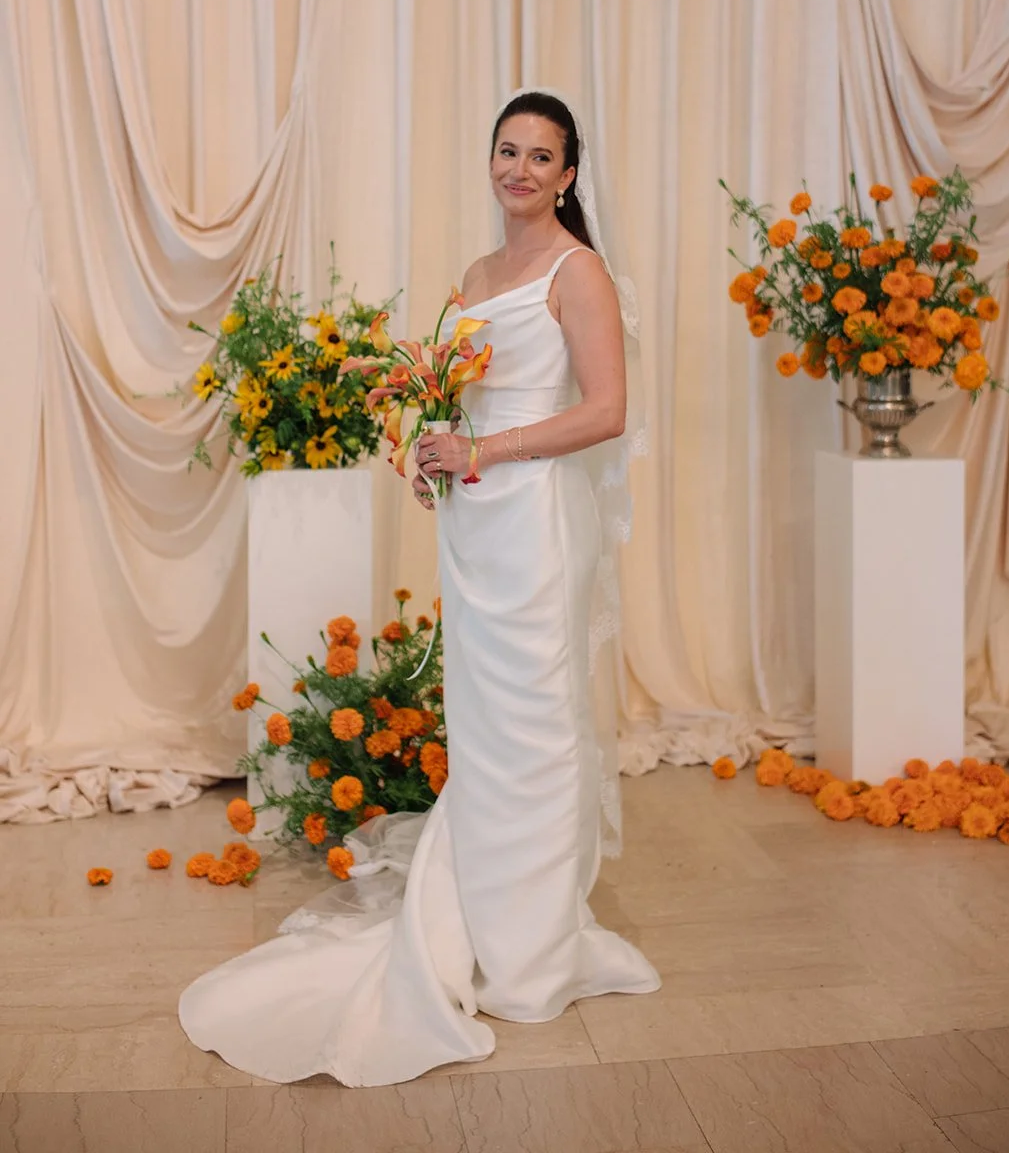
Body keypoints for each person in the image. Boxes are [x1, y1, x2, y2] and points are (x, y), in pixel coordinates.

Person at [178, 92, 659, 1087]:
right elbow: (458, 393)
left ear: (568, 175)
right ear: (490, 161)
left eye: (540, 156)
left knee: (538, 721)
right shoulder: (478, 275)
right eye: (506, 150)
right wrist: (434, 449)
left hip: (535, 521)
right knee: (483, 722)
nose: (519, 169)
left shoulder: (577, 271)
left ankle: (532, 949)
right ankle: (486, 910)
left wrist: (482, 448)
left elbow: (606, 411)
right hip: (477, 521)